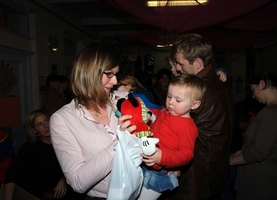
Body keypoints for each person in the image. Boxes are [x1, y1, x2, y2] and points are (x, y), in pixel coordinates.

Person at [49, 42, 143, 199]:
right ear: (89, 73)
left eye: (116, 74)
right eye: (109, 74)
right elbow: (77, 182)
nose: (114, 82)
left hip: (141, 188)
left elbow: (156, 123)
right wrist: (121, 141)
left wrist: (168, 159)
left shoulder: (121, 99)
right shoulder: (62, 120)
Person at [168, 33, 235, 200]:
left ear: (197, 63)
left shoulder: (199, 90)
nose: (177, 68)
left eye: (180, 63)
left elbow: (173, 127)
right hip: (212, 172)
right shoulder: (217, 81)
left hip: (197, 176)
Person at [136, 74, 206, 200]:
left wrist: (162, 157)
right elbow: (158, 112)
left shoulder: (187, 127)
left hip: (158, 172)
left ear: (195, 105)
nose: (170, 103)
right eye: (169, 96)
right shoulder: (168, 112)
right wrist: (148, 113)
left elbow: (186, 154)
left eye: (178, 100)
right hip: (143, 162)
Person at [230, 71, 277, 200]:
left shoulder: (271, 113)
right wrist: (240, 152)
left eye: (253, 90)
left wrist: (229, 161)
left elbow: (259, 152)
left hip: (260, 183)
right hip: (264, 179)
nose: (252, 96)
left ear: (262, 84)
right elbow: (265, 146)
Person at [3, 109, 83, 200]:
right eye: (39, 124)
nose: (46, 126)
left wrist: (64, 179)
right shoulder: (30, 147)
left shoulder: (64, 142)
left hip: (68, 183)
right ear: (34, 130)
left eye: (47, 121)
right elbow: (13, 174)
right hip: (41, 189)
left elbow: (79, 163)